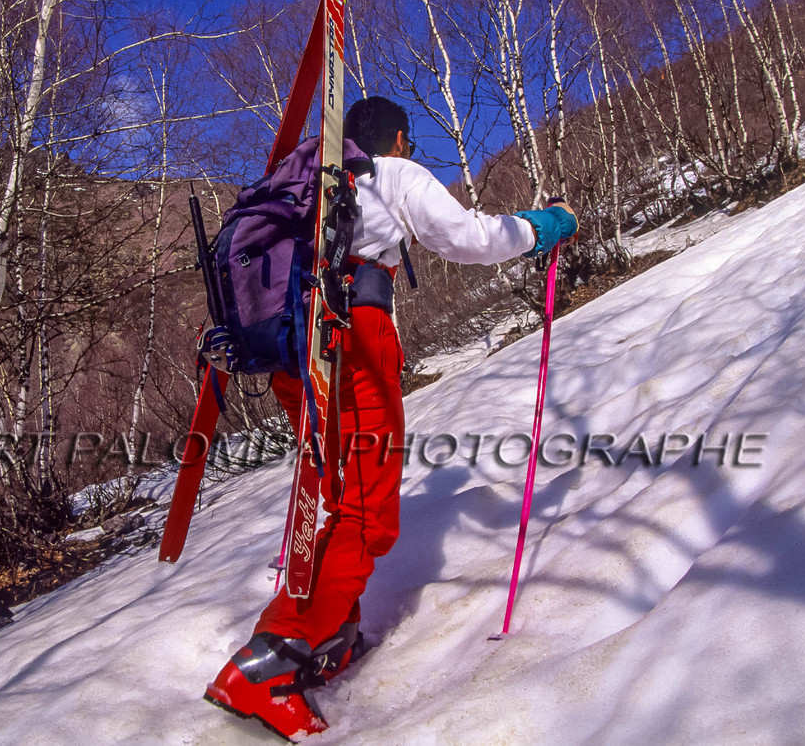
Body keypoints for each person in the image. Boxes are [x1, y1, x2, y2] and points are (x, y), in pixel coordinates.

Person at [204, 96, 578, 739]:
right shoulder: (390, 174)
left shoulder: (315, 186)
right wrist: (544, 226)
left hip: (298, 356)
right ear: (398, 140)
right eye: (408, 143)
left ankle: (332, 632)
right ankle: (271, 662)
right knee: (367, 513)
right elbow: (470, 238)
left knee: (342, 496)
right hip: (354, 340)